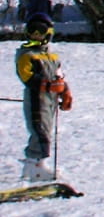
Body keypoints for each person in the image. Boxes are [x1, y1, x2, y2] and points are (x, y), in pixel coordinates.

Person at [15, 13, 72, 182]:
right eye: (32, 31)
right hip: (36, 100)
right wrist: (48, 86)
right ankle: (35, 164)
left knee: (46, 129)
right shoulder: (26, 55)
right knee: (40, 131)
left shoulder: (51, 56)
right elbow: (27, 78)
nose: (36, 35)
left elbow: (58, 75)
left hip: (51, 100)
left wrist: (65, 91)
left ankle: (35, 165)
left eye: (40, 31)